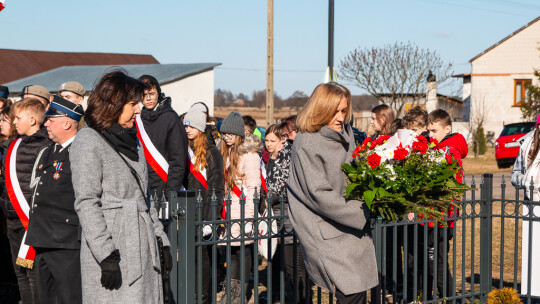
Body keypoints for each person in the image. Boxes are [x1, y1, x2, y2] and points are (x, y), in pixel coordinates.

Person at [69, 70, 172, 303]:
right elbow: (87, 202)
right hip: (113, 247)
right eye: (133, 103)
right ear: (114, 104)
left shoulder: (133, 141)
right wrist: (106, 255)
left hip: (142, 243)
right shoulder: (88, 140)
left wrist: (160, 240)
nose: (139, 109)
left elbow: (144, 197)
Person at [287, 82, 377, 303]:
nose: (340, 117)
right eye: (334, 111)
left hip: (349, 228)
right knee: (352, 292)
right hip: (328, 232)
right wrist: (361, 211)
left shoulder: (345, 134)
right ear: (320, 109)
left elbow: (355, 175)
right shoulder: (307, 142)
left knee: (356, 293)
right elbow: (320, 194)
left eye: (344, 111)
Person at [25, 95, 84, 304]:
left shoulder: (81, 151)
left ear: (67, 122)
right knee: (45, 298)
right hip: (42, 238)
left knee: (69, 298)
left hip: (65, 241)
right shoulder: (48, 152)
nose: (46, 124)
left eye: (51, 119)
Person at [3, 98, 52, 304]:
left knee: (31, 272)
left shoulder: (47, 147)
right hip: (12, 219)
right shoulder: (13, 145)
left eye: (18, 118)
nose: (14, 122)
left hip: (30, 222)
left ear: (33, 120)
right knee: (19, 272)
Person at [422, 109, 468, 300]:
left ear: (447, 129)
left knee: (438, 265)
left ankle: (450, 299)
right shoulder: (436, 147)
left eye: (434, 131)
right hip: (430, 216)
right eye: (428, 131)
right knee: (432, 264)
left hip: (439, 217)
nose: (430, 135)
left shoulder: (449, 151)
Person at [218, 112, 262, 304]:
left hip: (243, 211)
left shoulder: (249, 155)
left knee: (242, 254)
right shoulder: (225, 152)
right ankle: (231, 291)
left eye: (230, 134)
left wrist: (250, 217)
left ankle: (239, 295)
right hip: (228, 210)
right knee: (231, 253)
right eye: (224, 134)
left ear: (238, 134)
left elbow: (254, 187)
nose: (226, 137)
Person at [183, 108, 224, 303]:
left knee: (203, 255)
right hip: (189, 210)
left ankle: (203, 295)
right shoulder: (185, 149)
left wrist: (211, 218)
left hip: (205, 211)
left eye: (191, 126)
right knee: (190, 254)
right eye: (186, 125)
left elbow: (217, 186)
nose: (187, 129)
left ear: (200, 127)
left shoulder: (212, 151)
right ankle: (192, 291)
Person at [137, 74, 188, 196]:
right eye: (144, 95)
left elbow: (178, 159)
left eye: (152, 94)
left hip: (164, 188)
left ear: (158, 93)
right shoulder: (137, 119)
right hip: (143, 187)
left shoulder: (170, 118)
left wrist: (170, 192)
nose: (148, 98)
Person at [511, 113, 540, 298]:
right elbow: (514, 174)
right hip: (531, 204)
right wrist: (528, 179)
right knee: (532, 253)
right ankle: (533, 292)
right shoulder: (527, 143)